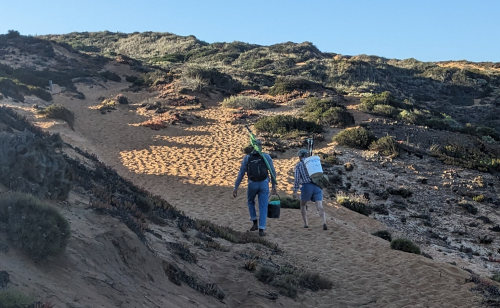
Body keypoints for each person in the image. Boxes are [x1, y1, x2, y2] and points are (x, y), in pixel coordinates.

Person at [233, 140, 277, 236]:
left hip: (252, 184)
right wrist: (274, 185)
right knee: (263, 206)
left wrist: (236, 187)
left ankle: (254, 222)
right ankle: (261, 229)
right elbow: (273, 172)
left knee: (250, 201)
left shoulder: (247, 158)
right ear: (261, 146)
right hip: (264, 184)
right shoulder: (266, 157)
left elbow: (241, 173)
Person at [293, 149, 327, 230]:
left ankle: (306, 224)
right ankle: (324, 222)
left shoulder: (299, 165)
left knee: (303, 204)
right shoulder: (313, 163)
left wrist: (295, 190)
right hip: (317, 185)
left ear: (300, 156)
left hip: (306, 186)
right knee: (319, 205)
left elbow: (297, 179)